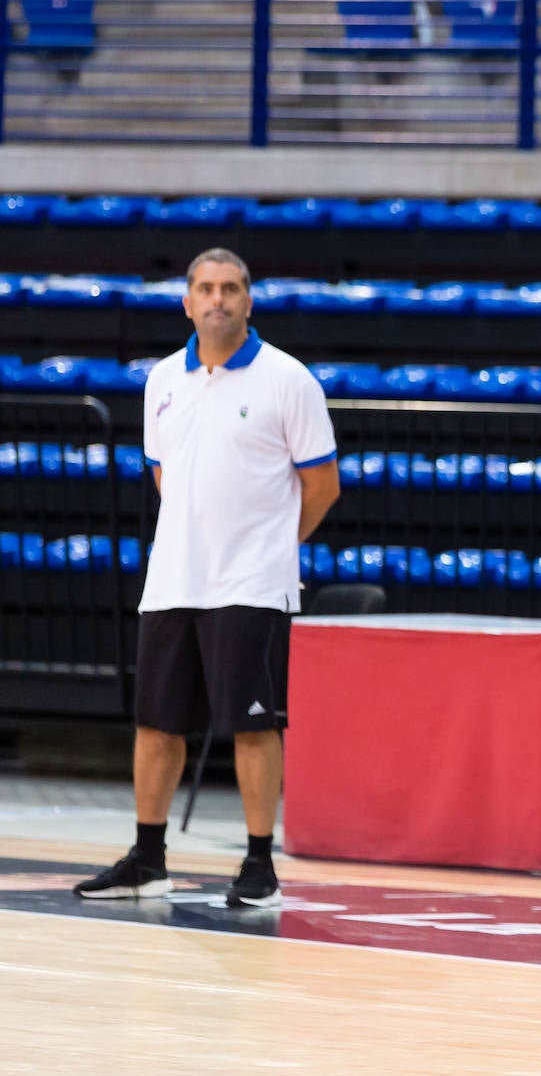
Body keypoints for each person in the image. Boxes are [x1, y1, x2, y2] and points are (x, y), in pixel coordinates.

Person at [74, 248, 340, 908]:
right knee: (156, 723)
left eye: (229, 288)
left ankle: (258, 865)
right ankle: (148, 857)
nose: (216, 298)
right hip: (172, 579)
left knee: (253, 724)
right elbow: (164, 473)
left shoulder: (289, 380)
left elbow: (323, 485)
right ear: (186, 302)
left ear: (249, 301)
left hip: (251, 583)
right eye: (204, 288)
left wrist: (270, 545)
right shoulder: (161, 379)